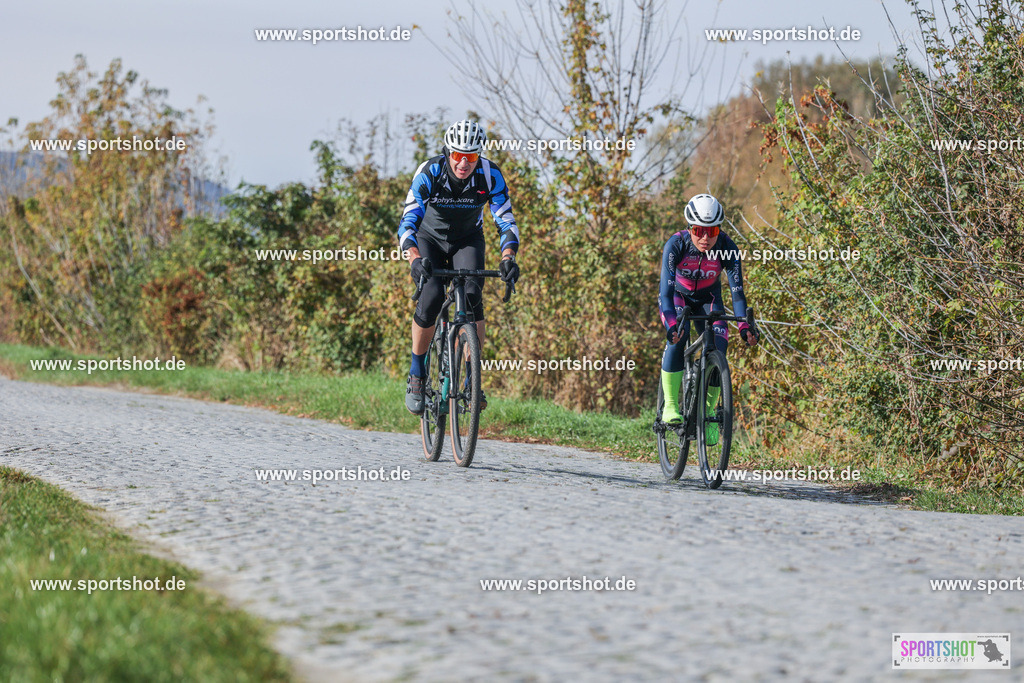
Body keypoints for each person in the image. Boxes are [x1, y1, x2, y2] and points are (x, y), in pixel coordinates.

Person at [398, 119, 521, 414]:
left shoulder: (489, 175)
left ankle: (471, 381)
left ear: (479, 156)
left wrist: (508, 258)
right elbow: (407, 222)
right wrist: (414, 259)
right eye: (457, 156)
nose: (463, 163)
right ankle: (417, 374)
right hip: (430, 239)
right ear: (447, 152)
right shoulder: (430, 172)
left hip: (467, 240)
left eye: (471, 157)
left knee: (472, 295)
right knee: (430, 298)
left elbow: (505, 219)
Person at [658, 193, 758, 442]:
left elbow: (737, 295)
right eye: (699, 230)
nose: (705, 238)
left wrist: (744, 325)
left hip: (709, 299)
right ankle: (670, 406)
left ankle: (709, 412)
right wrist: (671, 324)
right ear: (690, 227)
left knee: (719, 350)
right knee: (678, 339)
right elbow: (665, 294)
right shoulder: (676, 245)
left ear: (719, 230)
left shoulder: (727, 248)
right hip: (679, 298)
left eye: (712, 231)